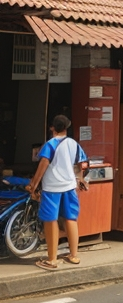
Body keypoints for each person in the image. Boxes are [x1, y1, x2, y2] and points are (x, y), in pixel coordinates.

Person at [27, 115, 88, 271]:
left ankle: (52, 260)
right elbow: (83, 164)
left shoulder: (50, 145)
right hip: (69, 187)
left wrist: (33, 185)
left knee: (51, 220)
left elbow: (43, 165)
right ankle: (74, 255)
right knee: (70, 219)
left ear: (52, 128)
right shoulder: (74, 144)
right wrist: (80, 179)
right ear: (66, 128)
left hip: (52, 189)